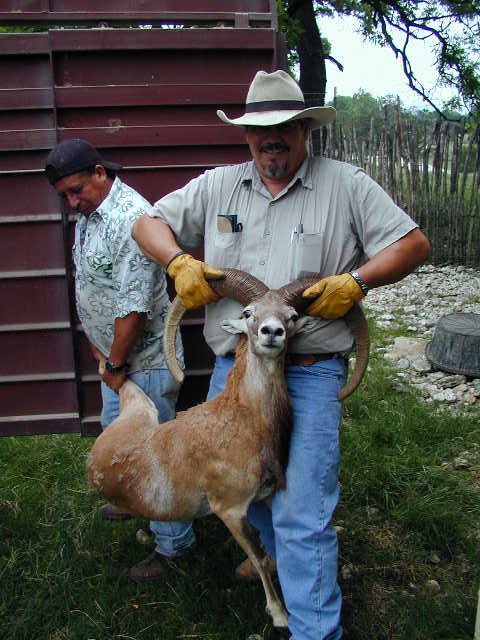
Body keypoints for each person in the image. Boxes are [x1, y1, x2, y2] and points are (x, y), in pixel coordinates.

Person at [131, 70, 430, 639]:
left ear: (304, 130)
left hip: (310, 372)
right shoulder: (218, 186)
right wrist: (177, 262)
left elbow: (412, 244)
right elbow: (145, 222)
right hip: (237, 374)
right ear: (247, 136)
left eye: (285, 127)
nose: (272, 139)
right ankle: (274, 566)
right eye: (260, 130)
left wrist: (357, 283)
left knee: (300, 512)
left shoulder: (346, 185)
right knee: (253, 494)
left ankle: (314, 628)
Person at [44, 139, 195, 581]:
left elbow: (134, 309)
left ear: (98, 172)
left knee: (158, 458)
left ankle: (175, 545)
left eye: (76, 191)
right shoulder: (92, 211)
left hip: (139, 364)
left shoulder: (130, 219)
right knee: (122, 440)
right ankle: (133, 498)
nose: (72, 203)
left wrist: (113, 361)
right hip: (117, 363)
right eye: (64, 197)